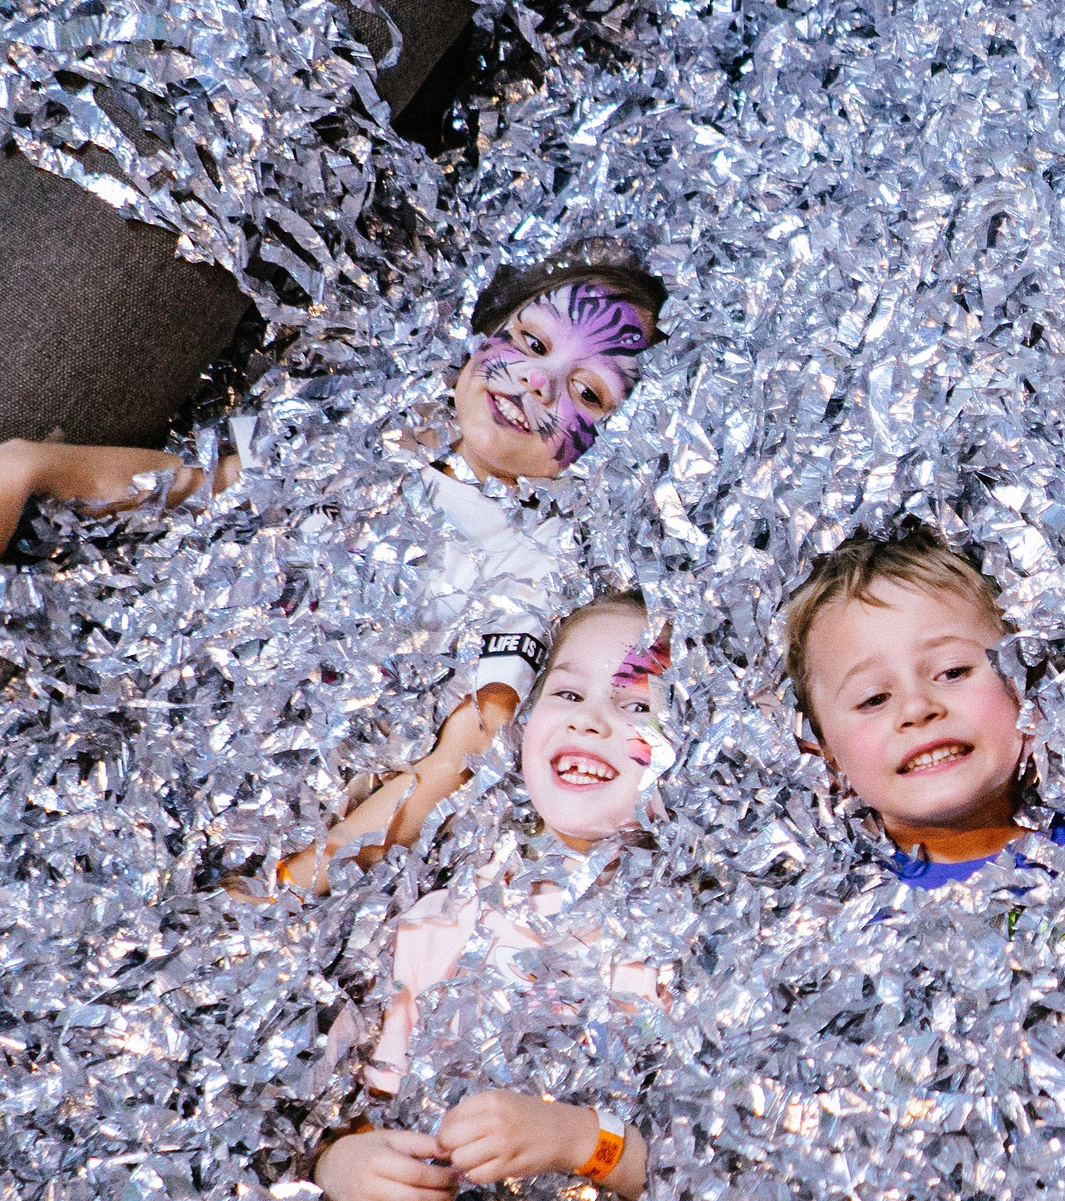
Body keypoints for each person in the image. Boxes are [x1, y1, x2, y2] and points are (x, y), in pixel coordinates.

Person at [0, 236, 671, 884]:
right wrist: (34, 465)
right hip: (132, 661)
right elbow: (197, 483)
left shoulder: (533, 561)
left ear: (613, 448)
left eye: (588, 394)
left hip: (246, 775)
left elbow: (470, 743)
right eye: (531, 343)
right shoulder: (373, 418)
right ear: (486, 331)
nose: (536, 381)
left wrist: (307, 871)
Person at [311, 591, 675, 1201]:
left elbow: (710, 1174)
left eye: (637, 705)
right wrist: (340, 1164)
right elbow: (333, 1113)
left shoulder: (690, 951)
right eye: (567, 695)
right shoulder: (434, 925)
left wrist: (574, 1137)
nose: (590, 720)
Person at [781, 520, 1065, 889]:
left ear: (1023, 684)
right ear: (825, 749)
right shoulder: (830, 916)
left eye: (952, 672)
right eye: (873, 698)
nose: (917, 709)